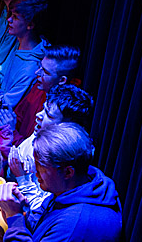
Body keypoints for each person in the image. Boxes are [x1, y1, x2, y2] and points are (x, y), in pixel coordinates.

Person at [0, 122, 122, 242]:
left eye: (41, 167)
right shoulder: (80, 185)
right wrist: (22, 210)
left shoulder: (76, 224)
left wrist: (15, 219)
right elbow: (41, 226)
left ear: (68, 172)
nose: (35, 172)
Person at [9, 83, 94, 211]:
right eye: (43, 109)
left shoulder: (56, 159)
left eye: (49, 115)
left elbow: (40, 210)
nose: (39, 115)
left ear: (66, 126)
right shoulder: (40, 131)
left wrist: (22, 178)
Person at [0, 0, 50, 115]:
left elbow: (4, 105)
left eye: (15, 17)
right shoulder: (19, 45)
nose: (9, 20)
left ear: (30, 25)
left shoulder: (31, 68)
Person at [11, 44, 81, 145]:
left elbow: (35, 150)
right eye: (40, 67)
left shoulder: (63, 111)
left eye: (45, 72)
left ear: (62, 80)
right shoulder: (39, 87)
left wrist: (12, 132)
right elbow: (18, 117)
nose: (37, 73)